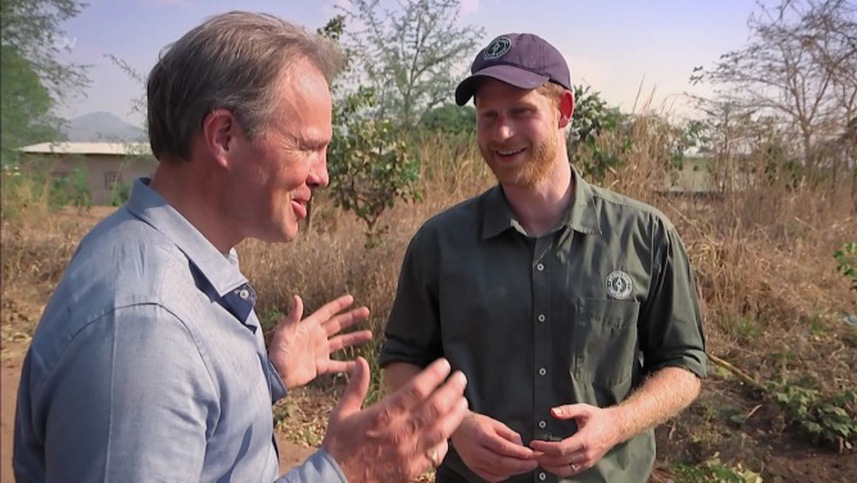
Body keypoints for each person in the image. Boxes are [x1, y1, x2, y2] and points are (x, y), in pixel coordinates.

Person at [13, 11, 468, 483]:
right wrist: (344, 472)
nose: (323, 174)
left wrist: (263, 377)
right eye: (307, 147)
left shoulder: (168, 259)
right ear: (224, 136)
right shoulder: (146, 328)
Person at [380, 33, 707, 483]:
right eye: (488, 115)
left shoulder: (645, 236)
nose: (502, 132)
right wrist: (455, 425)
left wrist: (616, 425)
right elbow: (401, 360)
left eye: (521, 112)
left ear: (564, 111)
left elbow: (683, 363)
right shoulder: (440, 244)